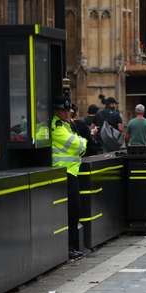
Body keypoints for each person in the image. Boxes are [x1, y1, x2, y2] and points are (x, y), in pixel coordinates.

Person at [50, 96, 87, 259]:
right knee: (72, 211)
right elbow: (78, 144)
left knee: (74, 211)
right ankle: (70, 247)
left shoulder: (65, 125)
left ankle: (72, 246)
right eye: (64, 111)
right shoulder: (57, 127)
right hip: (63, 173)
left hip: (71, 172)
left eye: (68, 111)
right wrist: (83, 142)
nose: (67, 114)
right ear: (57, 111)